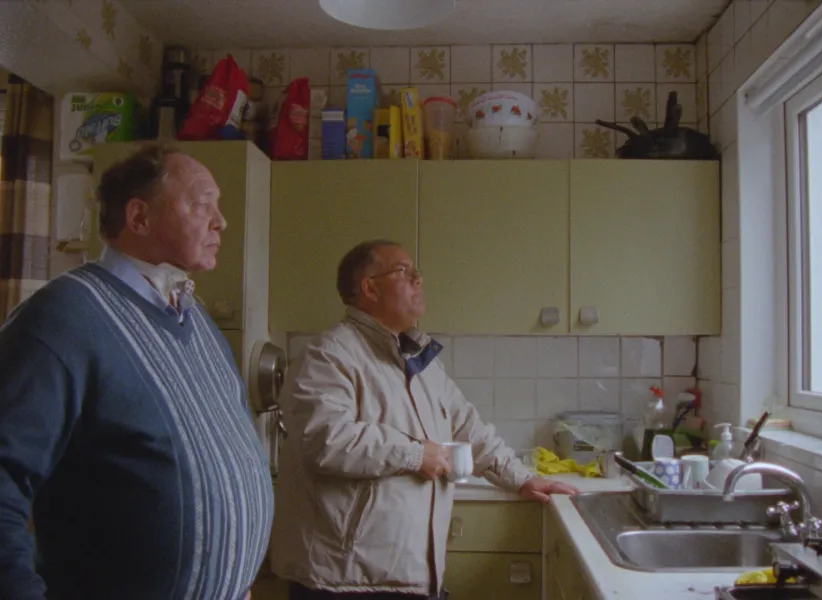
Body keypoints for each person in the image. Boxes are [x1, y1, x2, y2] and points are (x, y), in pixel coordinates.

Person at [0, 144, 273, 600]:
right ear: (139, 218)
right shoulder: (63, 318)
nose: (220, 221)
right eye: (202, 203)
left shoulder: (196, 320)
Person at [270, 239, 578, 600]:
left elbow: (468, 426)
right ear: (368, 287)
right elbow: (325, 440)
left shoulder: (420, 362)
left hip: (409, 575)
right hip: (343, 581)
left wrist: (521, 479)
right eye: (403, 271)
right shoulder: (328, 356)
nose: (418, 278)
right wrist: (416, 454)